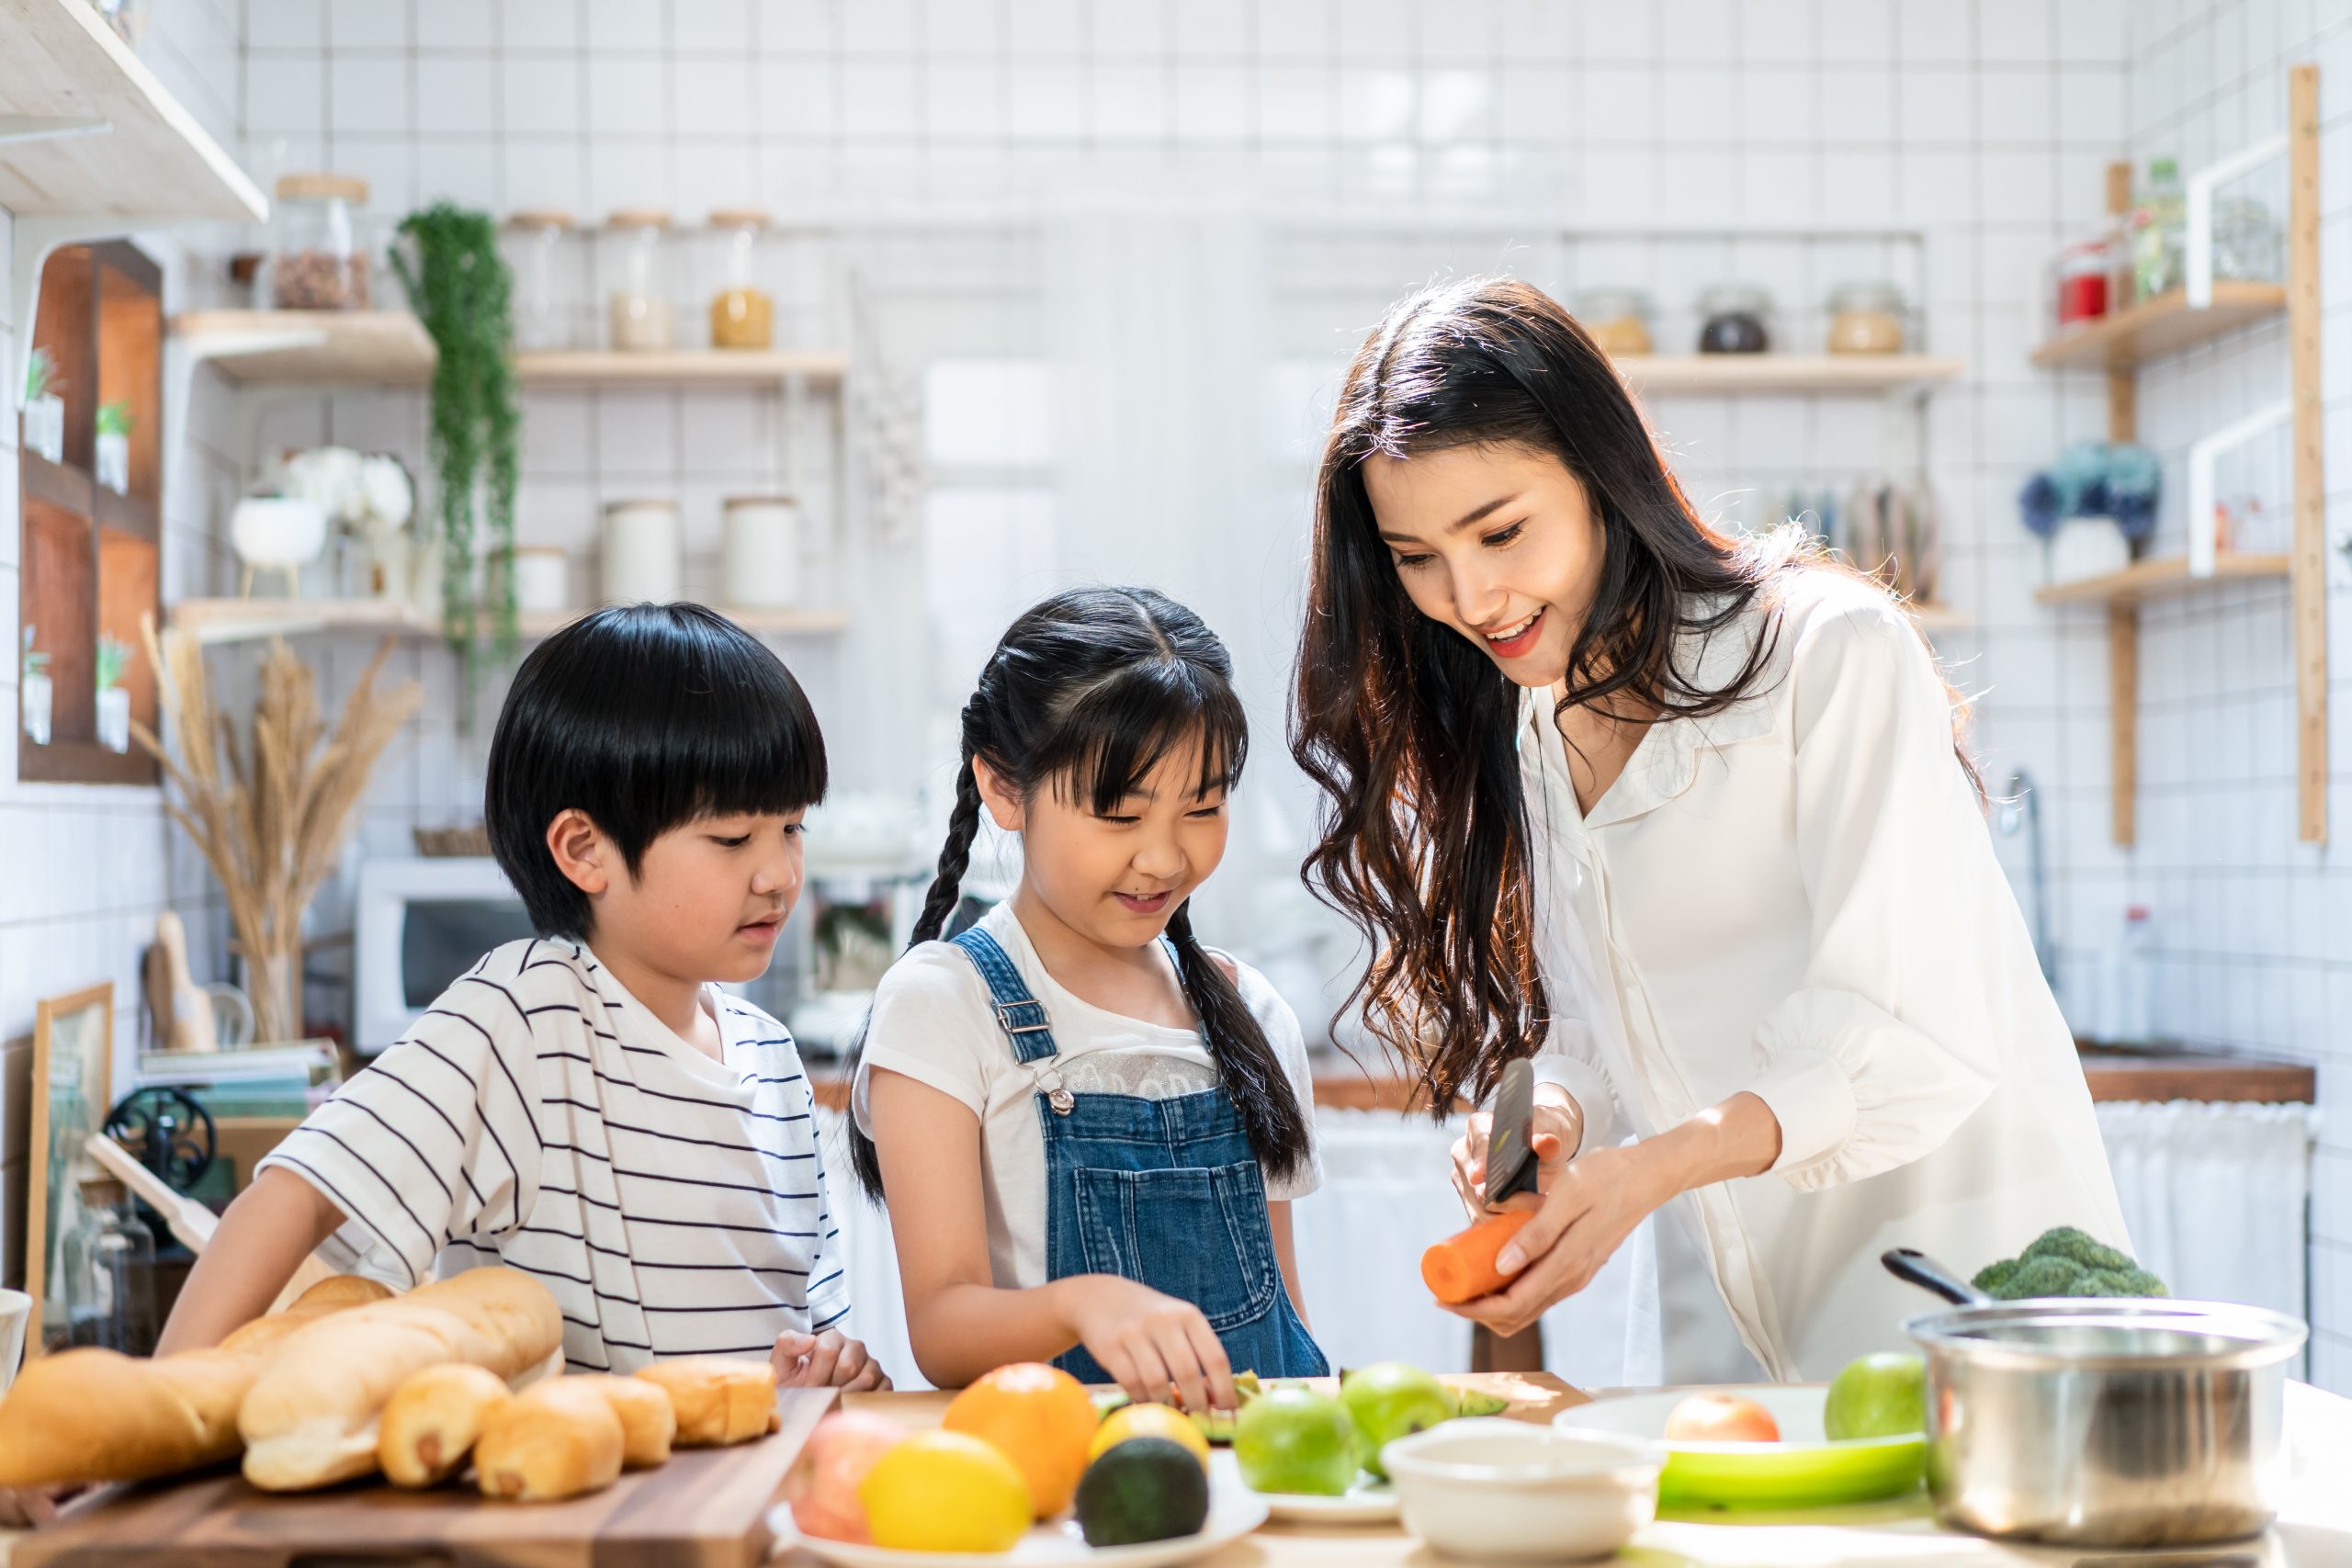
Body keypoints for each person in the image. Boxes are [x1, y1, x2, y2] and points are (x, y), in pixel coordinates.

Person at [1289, 277, 2129, 1383]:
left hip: (1961, 1311)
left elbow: (1907, 1034)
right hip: (1733, 1329)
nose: (1471, 594)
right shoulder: (1533, 723)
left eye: (1500, 531)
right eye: (1415, 558)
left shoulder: (1825, 654)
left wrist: (1649, 1170)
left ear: (1597, 472)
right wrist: (1554, 1110)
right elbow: (1607, 1018)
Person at [156, 603, 888, 1391]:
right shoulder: (526, 1019)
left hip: (744, 1500)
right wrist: (159, 1406)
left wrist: (833, 1367)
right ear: (585, 851)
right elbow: (294, 1196)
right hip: (564, 1503)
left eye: (792, 828)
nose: (779, 872)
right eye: (734, 839)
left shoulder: (774, 1060)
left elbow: (819, 1334)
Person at [853, 586, 1325, 1407]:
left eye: (1203, 807)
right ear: (1004, 790)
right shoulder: (941, 1004)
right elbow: (941, 1329)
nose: (1164, 857)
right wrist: (1082, 1304)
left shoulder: (1250, 1011)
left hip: (1252, 1480)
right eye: (1119, 813)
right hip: (1062, 1488)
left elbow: (1284, 1324)